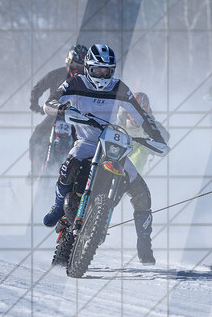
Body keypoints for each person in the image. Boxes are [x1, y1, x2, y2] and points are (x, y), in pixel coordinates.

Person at [41, 44, 168, 265]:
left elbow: (142, 115)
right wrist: (64, 110)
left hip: (112, 143)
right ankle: (57, 205)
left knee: (142, 192)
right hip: (87, 142)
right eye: (99, 70)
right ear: (88, 68)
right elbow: (49, 102)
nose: (103, 74)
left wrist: (156, 137)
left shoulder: (119, 87)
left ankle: (144, 244)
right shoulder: (75, 83)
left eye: (107, 70)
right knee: (66, 170)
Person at [29, 45, 86, 177]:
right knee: (36, 138)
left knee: (85, 145)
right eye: (75, 65)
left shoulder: (88, 81)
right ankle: (35, 170)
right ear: (69, 62)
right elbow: (38, 87)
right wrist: (35, 104)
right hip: (55, 114)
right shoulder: (56, 74)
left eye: (81, 67)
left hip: (78, 119)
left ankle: (79, 176)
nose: (78, 70)